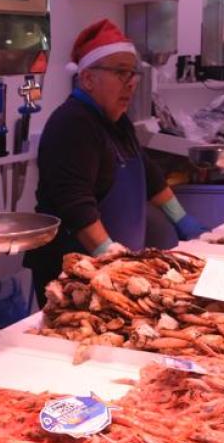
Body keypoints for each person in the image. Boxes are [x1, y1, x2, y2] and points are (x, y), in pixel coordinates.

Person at [23, 19, 198, 305]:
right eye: (120, 72)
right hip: (73, 273)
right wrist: (110, 254)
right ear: (88, 79)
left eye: (133, 74)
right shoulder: (72, 123)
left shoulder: (116, 120)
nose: (131, 83)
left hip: (113, 267)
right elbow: (75, 205)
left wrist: (182, 219)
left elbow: (149, 174)